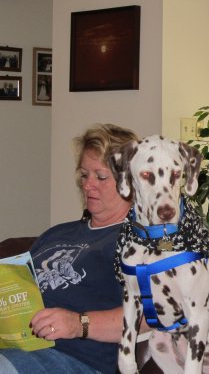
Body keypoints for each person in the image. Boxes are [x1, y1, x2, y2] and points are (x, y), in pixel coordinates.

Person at [0, 124, 141, 374]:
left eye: (100, 177)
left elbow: (157, 314)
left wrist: (79, 324)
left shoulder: (138, 241)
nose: (88, 185)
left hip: (73, 360)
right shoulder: (57, 234)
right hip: (17, 348)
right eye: (84, 175)